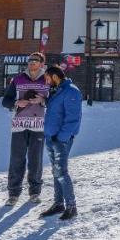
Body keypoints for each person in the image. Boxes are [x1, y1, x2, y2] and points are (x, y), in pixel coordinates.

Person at [1, 53, 48, 205]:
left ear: (41, 63)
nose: (32, 63)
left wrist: (43, 100)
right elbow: (5, 101)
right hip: (19, 125)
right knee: (17, 159)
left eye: (35, 61)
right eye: (30, 61)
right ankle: (13, 194)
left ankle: (35, 193)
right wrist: (16, 103)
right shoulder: (18, 79)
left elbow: (55, 100)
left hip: (39, 125)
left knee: (36, 160)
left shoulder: (47, 79)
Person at [40, 65, 83, 221]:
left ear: (55, 77)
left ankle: (71, 207)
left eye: (47, 78)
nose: (46, 82)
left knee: (61, 173)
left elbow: (73, 119)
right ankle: (59, 204)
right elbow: (56, 110)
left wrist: (61, 138)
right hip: (51, 137)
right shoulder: (57, 90)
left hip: (60, 140)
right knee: (55, 172)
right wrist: (44, 100)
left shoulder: (71, 91)